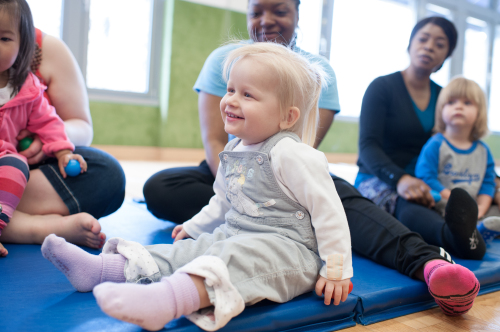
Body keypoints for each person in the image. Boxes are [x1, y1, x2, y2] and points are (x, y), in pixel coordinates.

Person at [144, 0, 479, 317]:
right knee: (161, 187)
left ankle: (429, 263)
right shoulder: (227, 58)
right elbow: (215, 138)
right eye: (256, 10)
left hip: (284, 173)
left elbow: (301, 146)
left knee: (336, 203)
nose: (266, 19)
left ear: (297, 15)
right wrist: (239, 190)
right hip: (231, 168)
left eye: (280, 10)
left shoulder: (312, 72)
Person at [43, 42, 355, 331]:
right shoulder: (234, 150)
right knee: (192, 250)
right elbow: (223, 201)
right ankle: (101, 270)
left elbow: (329, 213)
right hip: (238, 234)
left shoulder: (293, 153)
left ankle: (167, 301)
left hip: (289, 254)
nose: (231, 100)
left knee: (233, 260)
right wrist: (194, 226)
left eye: (248, 95)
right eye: (231, 89)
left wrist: (336, 270)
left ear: (288, 117)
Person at [356, 16, 489, 260]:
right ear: (410, 44)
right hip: (380, 178)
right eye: (423, 39)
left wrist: (494, 182)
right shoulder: (382, 87)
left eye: (440, 44)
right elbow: (367, 146)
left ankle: (472, 230)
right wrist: (400, 179)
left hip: (427, 179)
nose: (429, 46)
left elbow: (461, 144)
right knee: (408, 203)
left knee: (449, 198)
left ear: (446, 55)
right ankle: (454, 238)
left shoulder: (445, 97)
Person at [0, 0, 125, 255]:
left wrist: (59, 151)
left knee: (107, 173)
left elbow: (52, 122)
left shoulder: (28, 86)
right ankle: (34, 227)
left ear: (24, 43)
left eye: (3, 38)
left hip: (15, 167)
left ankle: (12, 218)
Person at [415, 77, 500, 241]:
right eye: (451, 102)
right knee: (433, 206)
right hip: (446, 202)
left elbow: (487, 184)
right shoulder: (436, 144)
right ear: (441, 110)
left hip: (474, 206)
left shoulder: (483, 150)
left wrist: (480, 209)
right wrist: (453, 199)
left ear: (479, 112)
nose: (458, 106)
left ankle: (479, 228)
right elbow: (426, 176)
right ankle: (467, 231)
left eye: (467, 103)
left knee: (493, 212)